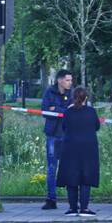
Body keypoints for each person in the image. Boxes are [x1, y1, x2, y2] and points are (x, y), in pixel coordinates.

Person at [57, 86, 101, 217]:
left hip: (70, 148)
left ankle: (72, 208)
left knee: (71, 177)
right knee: (86, 177)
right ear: (86, 98)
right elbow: (97, 126)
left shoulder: (68, 112)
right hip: (88, 148)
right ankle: (85, 208)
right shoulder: (91, 112)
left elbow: (64, 127)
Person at [41, 69, 73, 209]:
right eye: (67, 80)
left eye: (71, 80)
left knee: (70, 167)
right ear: (59, 80)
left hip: (68, 134)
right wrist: (63, 110)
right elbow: (45, 111)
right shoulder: (49, 92)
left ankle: (72, 198)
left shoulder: (72, 93)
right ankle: (51, 199)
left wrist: (56, 109)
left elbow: (73, 111)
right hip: (53, 134)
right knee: (52, 167)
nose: (70, 83)